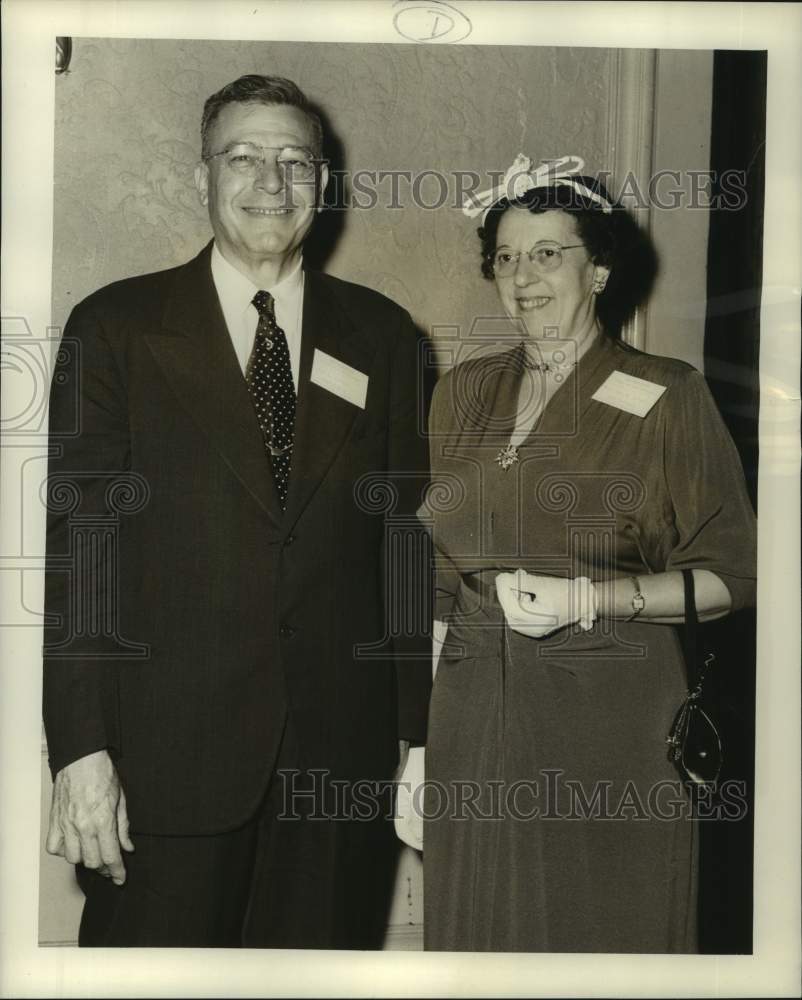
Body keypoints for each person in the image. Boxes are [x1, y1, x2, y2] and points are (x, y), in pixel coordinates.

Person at [43, 74, 432, 949]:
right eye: (245, 157)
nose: (271, 182)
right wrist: (80, 749)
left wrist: (417, 739)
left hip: (339, 759)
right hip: (166, 759)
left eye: (295, 160)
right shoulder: (117, 327)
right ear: (201, 178)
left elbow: (402, 544)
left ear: (323, 186)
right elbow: (82, 551)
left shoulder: (385, 336)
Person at [421, 154, 757, 952]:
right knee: (476, 936)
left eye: (548, 253)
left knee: (599, 930)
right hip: (471, 711)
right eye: (506, 256)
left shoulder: (669, 394)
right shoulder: (462, 391)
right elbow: (436, 573)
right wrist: (418, 745)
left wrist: (591, 599)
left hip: (612, 716)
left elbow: (736, 578)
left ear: (599, 270)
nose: (523, 276)